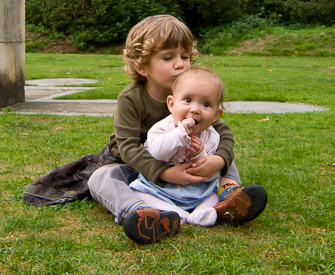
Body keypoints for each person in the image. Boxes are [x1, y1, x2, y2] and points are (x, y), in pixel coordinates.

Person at [87, 14, 267, 245]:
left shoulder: (193, 94)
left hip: (188, 159)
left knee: (224, 154)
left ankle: (228, 196)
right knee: (101, 177)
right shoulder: (131, 99)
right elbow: (129, 147)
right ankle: (140, 211)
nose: (180, 64)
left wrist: (218, 162)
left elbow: (224, 132)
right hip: (138, 163)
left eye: (184, 56)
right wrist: (163, 172)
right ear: (142, 66)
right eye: (168, 57)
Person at [129, 67, 226, 228]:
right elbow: (158, 152)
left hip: (197, 189)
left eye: (206, 104)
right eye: (187, 100)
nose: (195, 109)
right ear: (171, 104)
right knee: (138, 191)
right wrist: (179, 134)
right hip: (161, 187)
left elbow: (209, 174)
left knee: (216, 190)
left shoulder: (212, 136)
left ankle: (202, 212)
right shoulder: (162, 128)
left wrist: (200, 154)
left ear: (216, 115)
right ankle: (171, 213)